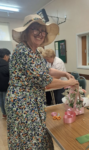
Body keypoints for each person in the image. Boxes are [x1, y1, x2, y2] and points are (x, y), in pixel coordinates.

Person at [5, 14, 78, 150]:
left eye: (43, 30)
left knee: (39, 135)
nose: (40, 34)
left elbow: (47, 70)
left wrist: (64, 73)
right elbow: (45, 81)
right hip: (22, 103)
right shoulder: (23, 51)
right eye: (35, 29)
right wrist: (69, 83)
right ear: (26, 32)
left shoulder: (35, 53)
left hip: (33, 100)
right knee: (30, 139)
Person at [0, 48, 11, 118]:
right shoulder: (7, 66)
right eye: (8, 56)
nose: (9, 57)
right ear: (5, 56)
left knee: (1, 99)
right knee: (5, 100)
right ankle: (7, 114)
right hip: (5, 86)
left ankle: (4, 113)